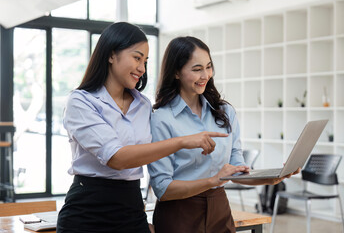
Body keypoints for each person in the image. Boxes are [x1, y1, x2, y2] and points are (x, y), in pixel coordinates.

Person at [56, 23, 232, 233]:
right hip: (87, 211)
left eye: (146, 61)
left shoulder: (143, 105)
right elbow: (117, 158)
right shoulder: (81, 101)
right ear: (112, 55)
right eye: (137, 58)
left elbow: (153, 159)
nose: (142, 68)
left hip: (131, 208)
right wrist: (184, 141)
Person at [148, 36, 300, 233]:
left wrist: (270, 178)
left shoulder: (224, 113)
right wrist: (213, 180)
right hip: (179, 213)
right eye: (197, 69)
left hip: (219, 208)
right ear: (176, 72)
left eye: (208, 67)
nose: (206, 75)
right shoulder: (162, 118)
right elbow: (163, 189)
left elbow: (235, 170)